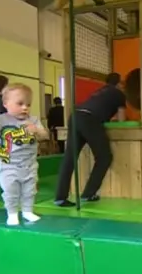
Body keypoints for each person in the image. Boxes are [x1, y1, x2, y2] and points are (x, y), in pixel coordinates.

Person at [0, 83, 49, 226]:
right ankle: (12, 213)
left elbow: (45, 135)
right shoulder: (1, 120)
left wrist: (36, 130)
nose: (25, 108)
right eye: (20, 103)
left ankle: (27, 211)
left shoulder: (33, 120)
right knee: (11, 190)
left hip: (29, 164)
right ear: (6, 104)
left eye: (28, 104)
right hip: (8, 165)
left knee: (30, 190)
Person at [54, 72, 126, 207]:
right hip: (90, 119)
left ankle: (60, 197)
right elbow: (122, 118)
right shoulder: (119, 94)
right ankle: (88, 193)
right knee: (104, 157)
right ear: (119, 84)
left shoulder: (99, 91)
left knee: (70, 157)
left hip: (75, 116)